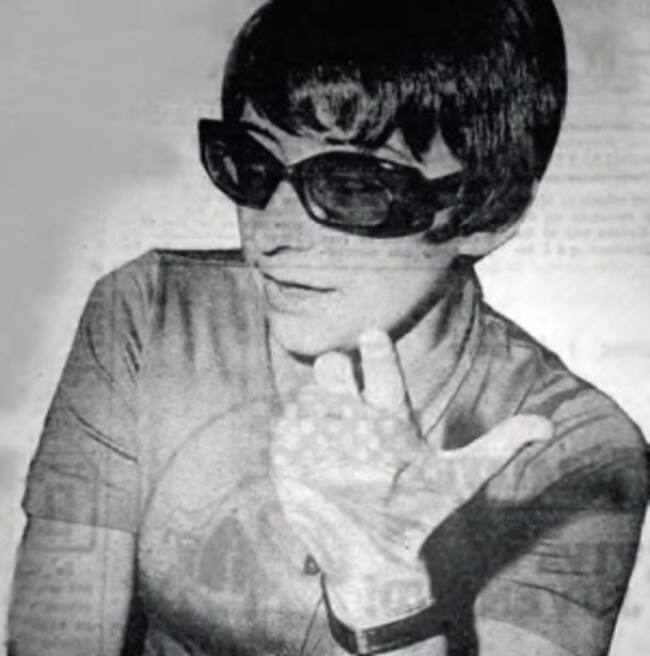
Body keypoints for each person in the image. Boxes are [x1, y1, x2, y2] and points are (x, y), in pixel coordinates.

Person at [8, 0, 648, 654]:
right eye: (250, 163)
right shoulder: (151, 313)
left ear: (491, 210)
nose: (272, 234)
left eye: (353, 187)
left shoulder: (580, 452)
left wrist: (385, 594)